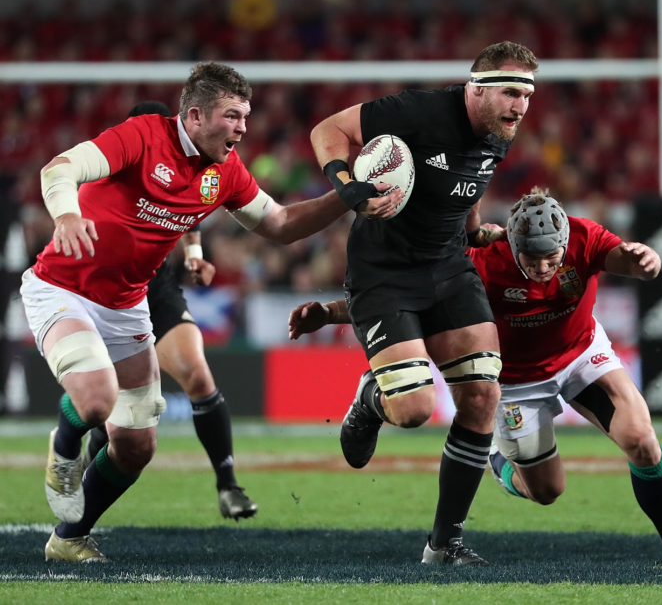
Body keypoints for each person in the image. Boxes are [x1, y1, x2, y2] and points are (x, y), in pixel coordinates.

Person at [29, 61, 400, 563]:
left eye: (246, 116)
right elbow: (59, 168)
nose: (243, 128)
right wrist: (67, 214)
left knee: (137, 447)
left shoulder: (224, 171)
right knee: (95, 402)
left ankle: (69, 538)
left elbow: (280, 223)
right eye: (232, 116)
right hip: (63, 288)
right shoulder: (142, 135)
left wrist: (344, 197)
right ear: (196, 115)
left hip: (127, 304)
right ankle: (65, 446)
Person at [289, 190, 662, 562]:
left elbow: (627, 261)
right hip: (515, 383)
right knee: (547, 491)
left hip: (581, 356)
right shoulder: (482, 261)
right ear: (511, 243)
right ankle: (495, 459)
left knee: (642, 440)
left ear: (565, 241)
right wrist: (329, 312)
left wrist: (647, 260)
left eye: (551, 257)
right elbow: (406, 297)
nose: (543, 268)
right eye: (531, 259)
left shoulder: (584, 237)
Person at [308, 41, 538, 566]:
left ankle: (443, 544)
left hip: (450, 268)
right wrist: (346, 186)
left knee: (482, 396)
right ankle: (371, 400)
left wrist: (474, 231)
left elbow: (471, 183)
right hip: (384, 274)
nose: (520, 106)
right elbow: (328, 130)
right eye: (510, 92)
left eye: (527, 95)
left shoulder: (498, 131)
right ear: (476, 88)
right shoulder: (418, 110)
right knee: (413, 411)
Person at [80, 101, 261, 521]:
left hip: (154, 286)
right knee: (107, 405)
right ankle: (85, 458)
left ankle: (228, 485)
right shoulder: (113, 162)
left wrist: (194, 254)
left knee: (197, 373)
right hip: (102, 288)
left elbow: (188, 211)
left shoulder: (179, 166)